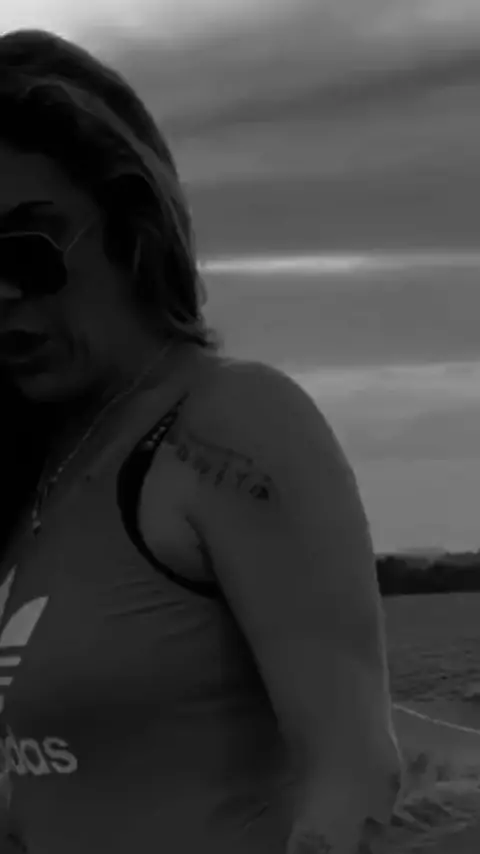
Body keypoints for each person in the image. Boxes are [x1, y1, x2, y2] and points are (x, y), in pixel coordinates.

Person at [0, 28, 402, 854]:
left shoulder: (226, 427)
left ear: (131, 225)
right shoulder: (41, 474)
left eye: (28, 250)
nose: (3, 294)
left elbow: (353, 770)